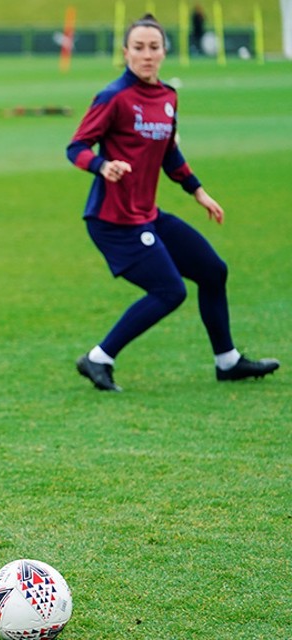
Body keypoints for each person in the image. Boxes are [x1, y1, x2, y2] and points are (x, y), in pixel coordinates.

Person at [67, 14, 279, 392]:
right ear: (125, 52)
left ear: (164, 51)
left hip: (146, 215)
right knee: (170, 291)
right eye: (139, 48)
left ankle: (227, 362)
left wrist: (199, 191)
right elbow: (76, 147)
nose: (146, 55)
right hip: (113, 220)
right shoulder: (113, 97)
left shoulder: (168, 97)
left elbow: (168, 154)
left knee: (213, 271)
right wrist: (103, 166)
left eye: (154, 47)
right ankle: (98, 359)